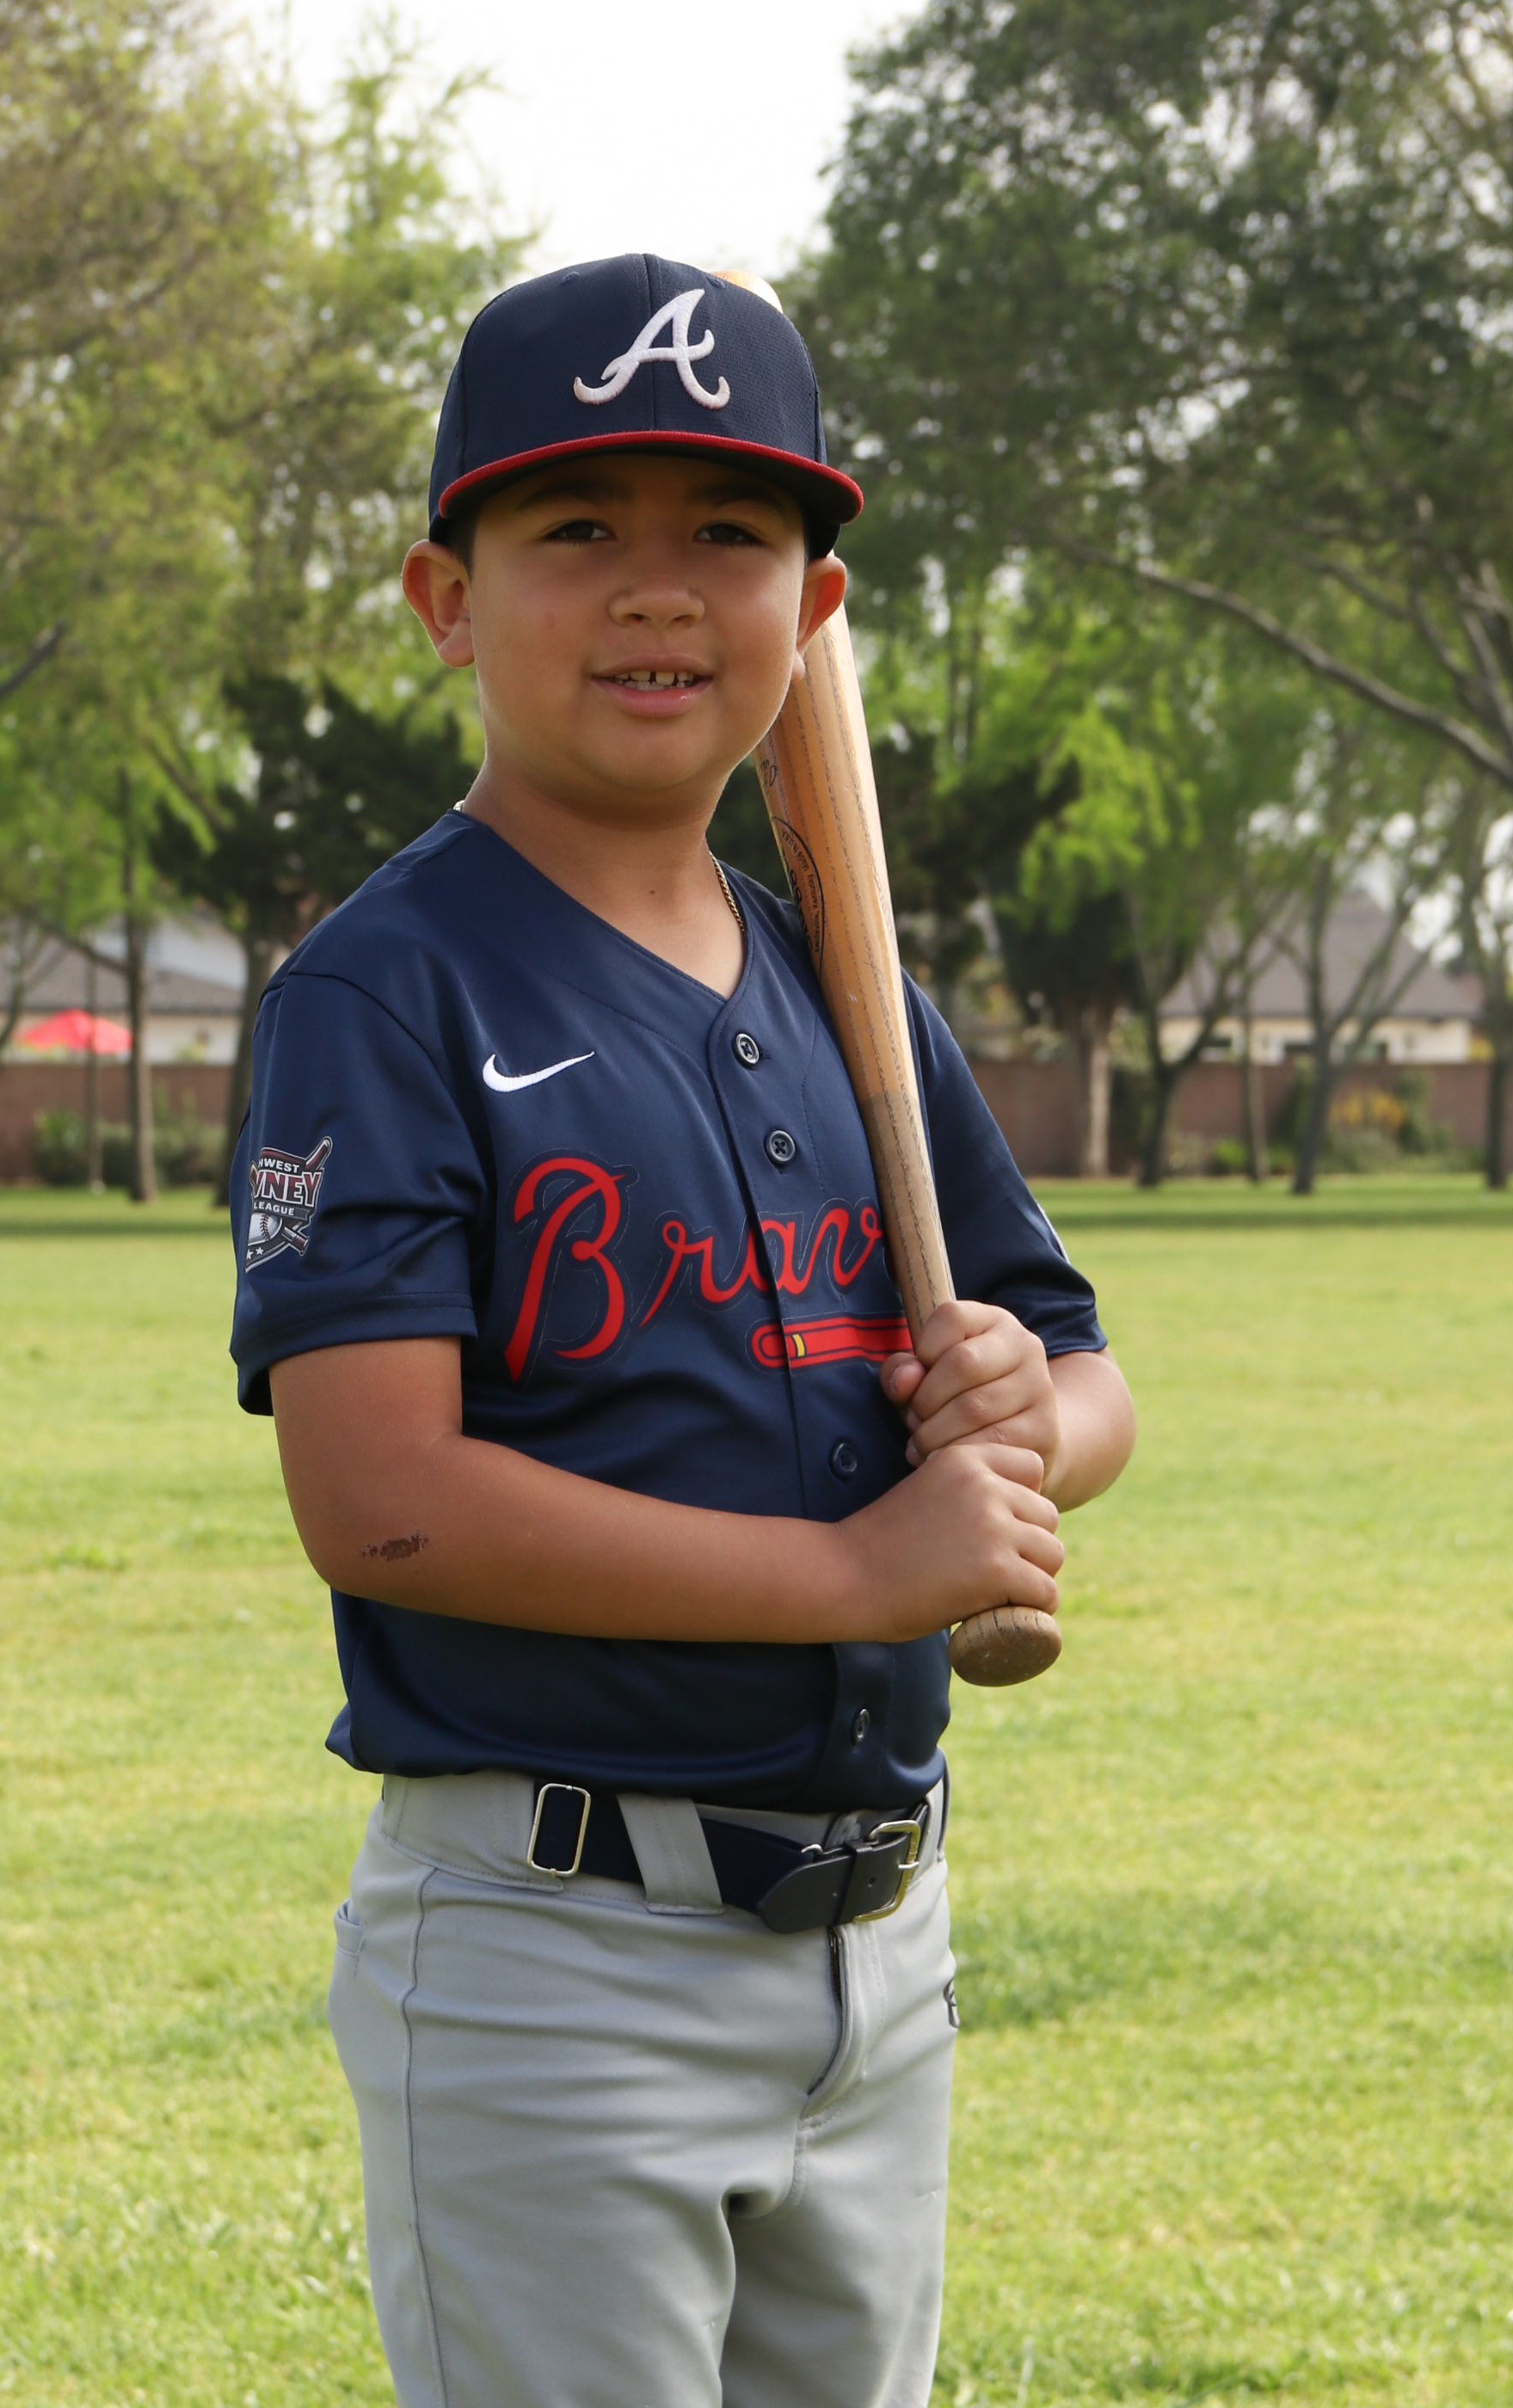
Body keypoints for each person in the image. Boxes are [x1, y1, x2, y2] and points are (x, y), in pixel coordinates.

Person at [228, 255, 1135, 2408]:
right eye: (576, 528)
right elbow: (382, 1501)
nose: (655, 586)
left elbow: (1075, 1367)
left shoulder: (849, 984)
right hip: (559, 1953)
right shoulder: (388, 989)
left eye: (726, 530)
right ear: (445, 601)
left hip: (878, 1942)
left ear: (811, 609)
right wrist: (856, 1570)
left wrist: (1029, 1415)